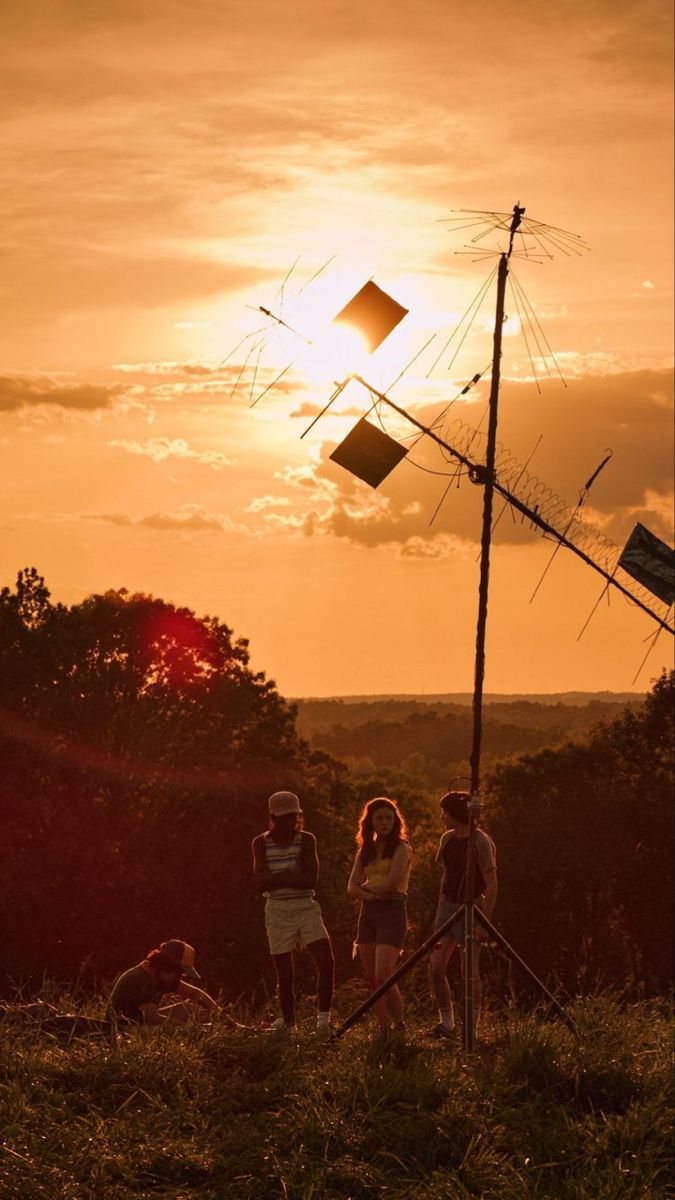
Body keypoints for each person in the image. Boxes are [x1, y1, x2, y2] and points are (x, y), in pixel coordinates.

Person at [252, 790, 335, 1036]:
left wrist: (275, 878)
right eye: (283, 817)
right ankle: (289, 1023)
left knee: (326, 961)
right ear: (273, 818)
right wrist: (291, 874)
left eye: (292, 816)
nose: (289, 822)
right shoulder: (260, 842)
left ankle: (323, 1021)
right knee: (285, 971)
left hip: (304, 906)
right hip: (277, 910)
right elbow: (259, 884)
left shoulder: (307, 840)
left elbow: (311, 880)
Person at [428, 791, 497, 1039]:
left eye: (445, 811)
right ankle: (446, 1023)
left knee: (470, 971)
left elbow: (491, 882)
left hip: (473, 907)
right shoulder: (447, 840)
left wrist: (484, 923)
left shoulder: (481, 842)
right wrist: (440, 912)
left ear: (457, 814)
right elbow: (446, 876)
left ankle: (472, 1028)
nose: (442, 816)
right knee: (436, 967)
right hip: (447, 906)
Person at [347, 796, 412, 1034]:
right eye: (379, 818)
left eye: (388, 817)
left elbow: (392, 883)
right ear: (370, 822)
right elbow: (350, 888)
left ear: (395, 820)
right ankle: (383, 1027)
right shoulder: (366, 850)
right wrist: (370, 895)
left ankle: (399, 1025)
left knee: (384, 974)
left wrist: (366, 889)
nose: (384, 822)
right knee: (372, 978)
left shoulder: (402, 848)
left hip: (393, 911)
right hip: (369, 912)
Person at [105, 939, 219, 1026]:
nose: (177, 979)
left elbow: (196, 994)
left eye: (180, 974)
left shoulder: (162, 977)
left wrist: (226, 1019)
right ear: (162, 965)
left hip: (140, 1023)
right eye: (174, 972)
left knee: (190, 1010)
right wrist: (187, 1027)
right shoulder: (139, 978)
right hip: (120, 1028)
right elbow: (152, 1018)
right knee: (165, 1030)